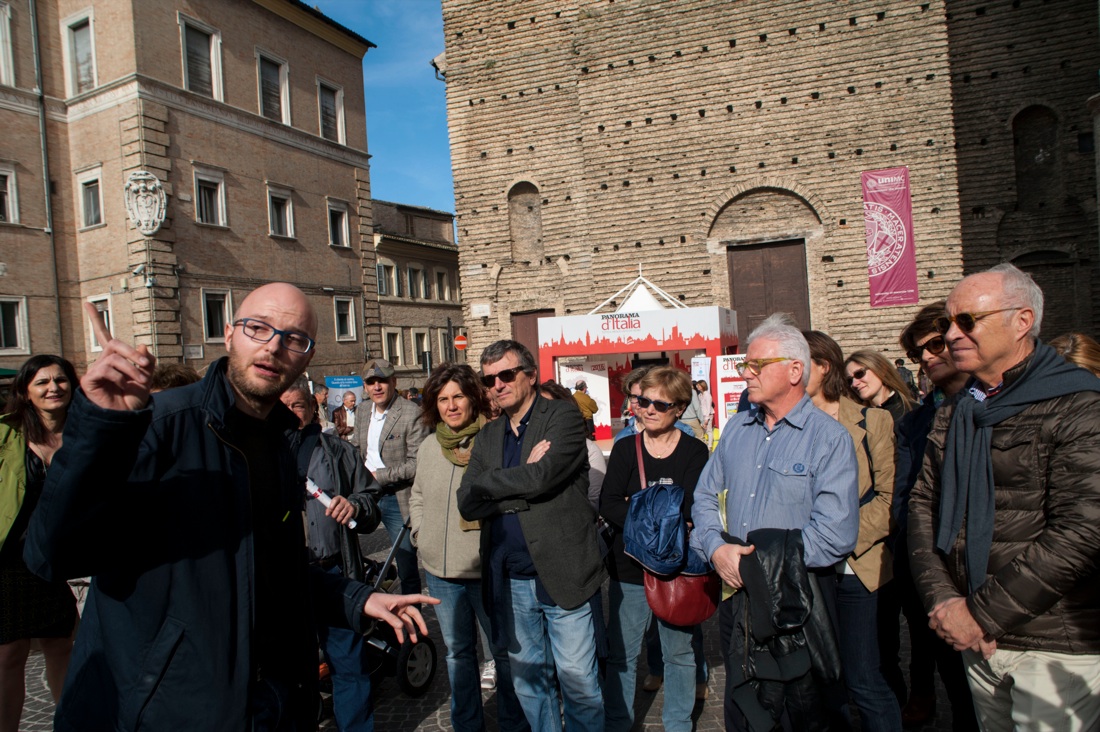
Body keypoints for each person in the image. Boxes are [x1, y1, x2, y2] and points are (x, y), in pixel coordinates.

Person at [24, 284, 435, 730]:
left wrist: (358, 597)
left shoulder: (278, 442)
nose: (273, 345)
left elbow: (269, 568)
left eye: (294, 339)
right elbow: (52, 555)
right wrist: (99, 430)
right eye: (258, 328)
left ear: (306, 360)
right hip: (165, 711)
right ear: (228, 333)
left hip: (269, 703)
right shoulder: (160, 424)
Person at [908, 264, 1100, 732]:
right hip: (974, 637)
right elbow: (922, 510)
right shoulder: (957, 411)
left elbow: (1081, 531)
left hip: (1053, 641)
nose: (952, 334)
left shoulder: (1079, 405)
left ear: (1021, 321)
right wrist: (946, 605)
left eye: (967, 321)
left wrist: (979, 613)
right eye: (948, 323)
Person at [692, 314, 859, 731]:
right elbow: (703, 496)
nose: (745, 373)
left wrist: (756, 564)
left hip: (795, 602)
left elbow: (835, 534)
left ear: (795, 371)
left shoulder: (828, 438)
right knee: (743, 709)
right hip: (737, 600)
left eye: (756, 365)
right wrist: (714, 547)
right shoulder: (736, 429)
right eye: (744, 365)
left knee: (797, 713)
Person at [457, 340, 606, 731]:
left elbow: (542, 477)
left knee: (579, 685)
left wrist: (493, 485)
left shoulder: (562, 417)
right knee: (528, 687)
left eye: (506, 375)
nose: (498, 385)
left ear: (530, 375)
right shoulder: (489, 436)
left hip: (563, 572)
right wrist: (515, 484)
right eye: (490, 380)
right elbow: (467, 502)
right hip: (510, 578)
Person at [408, 363, 527, 732]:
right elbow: (417, 497)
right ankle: (467, 725)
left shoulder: (493, 440)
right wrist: (421, 535)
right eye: (443, 399)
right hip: (441, 573)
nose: (451, 405)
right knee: (458, 655)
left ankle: (512, 723)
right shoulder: (429, 446)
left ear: (473, 398)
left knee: (504, 654)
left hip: (484, 568)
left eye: (458, 396)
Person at [600, 367, 709, 732]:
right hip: (629, 566)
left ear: (678, 408)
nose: (647, 409)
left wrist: (640, 508)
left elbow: (693, 509)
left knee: (678, 654)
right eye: (642, 401)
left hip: (676, 569)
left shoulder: (694, 451)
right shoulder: (624, 448)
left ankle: (678, 724)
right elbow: (609, 504)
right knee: (622, 656)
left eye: (658, 404)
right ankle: (619, 723)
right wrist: (661, 515)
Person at [803, 331, 901, 732]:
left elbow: (889, 498)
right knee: (824, 679)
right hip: (807, 567)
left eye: (798, 362)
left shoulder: (873, 420)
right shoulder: (788, 424)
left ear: (823, 366)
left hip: (859, 565)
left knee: (864, 678)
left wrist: (840, 538)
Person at [893, 301, 977, 730]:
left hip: (990, 566)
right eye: (917, 353)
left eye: (934, 345)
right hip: (936, 566)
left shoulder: (997, 404)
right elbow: (910, 498)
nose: (926, 358)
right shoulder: (917, 420)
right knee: (958, 683)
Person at [281, 385, 381, 732]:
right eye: (283, 406)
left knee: (349, 665)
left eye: (297, 405)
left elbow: (371, 500)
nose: (292, 412)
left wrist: (355, 504)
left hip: (337, 572)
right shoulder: (261, 457)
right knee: (295, 672)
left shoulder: (337, 451)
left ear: (312, 406)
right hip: (288, 580)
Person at [0, 356, 79, 732]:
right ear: (26, 393)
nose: (54, 388)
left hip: (56, 558)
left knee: (62, 646)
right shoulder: (5, 435)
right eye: (42, 382)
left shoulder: (85, 431)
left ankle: (69, 723)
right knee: (8, 655)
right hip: (8, 560)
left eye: (61, 380)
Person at [361, 358, 429, 596]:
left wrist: (377, 476)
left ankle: (414, 622)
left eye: (382, 381)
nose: (377, 387)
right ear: (365, 386)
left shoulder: (411, 413)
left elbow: (416, 464)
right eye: (371, 382)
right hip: (365, 494)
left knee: (407, 565)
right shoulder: (362, 411)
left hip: (396, 496)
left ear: (394, 382)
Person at [540, 380, 607, 509]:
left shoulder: (588, 449)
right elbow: (594, 407)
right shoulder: (522, 446)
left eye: (549, 408)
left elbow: (595, 498)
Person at [615, 366, 694, 444]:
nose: (640, 403)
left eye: (644, 398)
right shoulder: (622, 437)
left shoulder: (684, 431)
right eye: (634, 397)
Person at [845, 350, 916, 422]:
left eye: (859, 374)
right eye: (849, 380)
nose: (854, 384)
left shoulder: (914, 412)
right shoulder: (853, 419)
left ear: (881, 370)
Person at [694, 380, 715, 448]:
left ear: (703, 386)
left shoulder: (707, 394)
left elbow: (709, 406)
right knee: (703, 430)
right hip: (702, 414)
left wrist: (707, 418)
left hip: (708, 414)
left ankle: (710, 446)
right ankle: (706, 443)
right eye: (697, 386)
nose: (697, 387)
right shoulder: (700, 395)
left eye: (699, 385)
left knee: (709, 430)